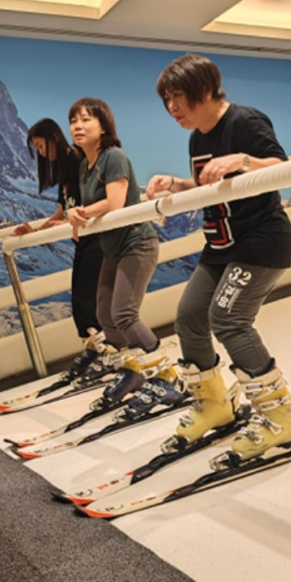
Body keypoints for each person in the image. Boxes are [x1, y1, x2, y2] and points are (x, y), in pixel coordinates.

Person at [145, 54, 291, 464]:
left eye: (178, 96)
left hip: (260, 242)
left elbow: (282, 169)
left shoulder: (245, 122)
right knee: (189, 319)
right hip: (219, 245)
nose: (172, 108)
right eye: (167, 99)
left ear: (205, 89)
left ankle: (282, 415)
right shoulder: (197, 137)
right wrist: (176, 184)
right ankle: (215, 404)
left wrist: (244, 160)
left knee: (229, 319)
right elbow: (209, 184)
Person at [67, 98, 170, 383]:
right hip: (112, 250)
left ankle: (165, 372)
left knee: (124, 313)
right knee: (105, 315)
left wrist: (80, 212)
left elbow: (115, 202)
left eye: (86, 119)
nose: (78, 126)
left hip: (136, 243)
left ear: (103, 126)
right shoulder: (85, 166)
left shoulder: (113, 157)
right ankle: (132, 367)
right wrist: (75, 216)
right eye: (73, 121)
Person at [14, 118, 106, 373]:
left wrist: (65, 222)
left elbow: (87, 205)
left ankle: (102, 354)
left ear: (53, 138)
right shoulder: (64, 168)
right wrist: (34, 230)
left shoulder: (77, 161)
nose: (41, 153)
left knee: (86, 300)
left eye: (41, 147)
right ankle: (94, 350)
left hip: (97, 238)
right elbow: (62, 210)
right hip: (83, 240)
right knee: (81, 300)